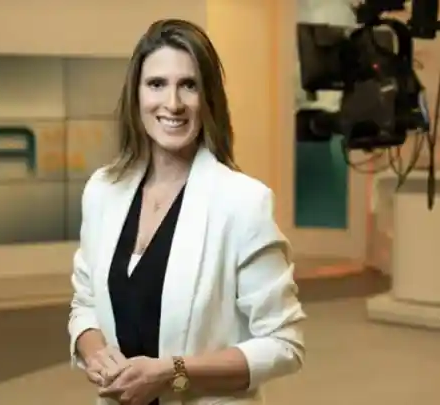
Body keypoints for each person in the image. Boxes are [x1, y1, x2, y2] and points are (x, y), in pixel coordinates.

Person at [68, 18, 306, 405]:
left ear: (208, 98)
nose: (173, 103)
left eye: (189, 85)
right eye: (156, 84)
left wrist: (172, 372)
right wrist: (95, 353)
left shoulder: (242, 202)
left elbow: (284, 344)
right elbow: (85, 305)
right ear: (136, 95)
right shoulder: (102, 191)